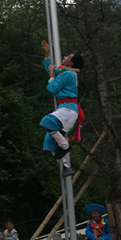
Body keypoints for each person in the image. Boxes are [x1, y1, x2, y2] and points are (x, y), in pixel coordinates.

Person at [40, 40, 84, 168]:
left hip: (68, 109)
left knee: (47, 121)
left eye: (68, 57)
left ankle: (65, 146)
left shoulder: (69, 73)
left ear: (71, 63)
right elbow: (51, 68)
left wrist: (51, 75)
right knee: (50, 142)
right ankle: (65, 167)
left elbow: (53, 87)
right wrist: (47, 54)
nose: (64, 56)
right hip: (67, 110)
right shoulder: (65, 73)